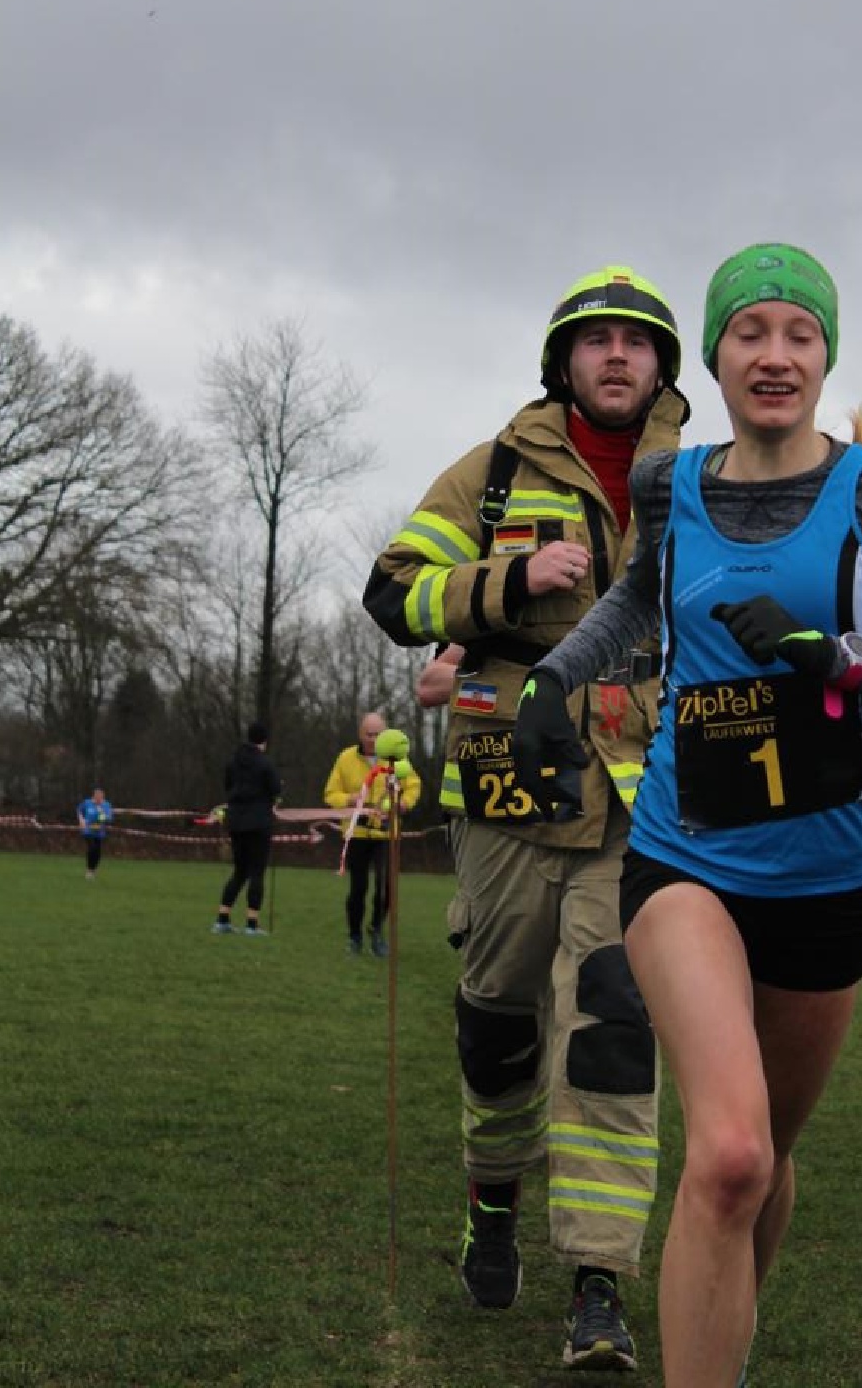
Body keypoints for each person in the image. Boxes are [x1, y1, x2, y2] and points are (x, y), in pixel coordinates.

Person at [512, 243, 862, 1388]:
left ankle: (720, 1337)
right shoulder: (670, 485)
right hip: (683, 854)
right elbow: (634, 599)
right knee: (730, 1151)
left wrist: (845, 662)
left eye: (798, 332)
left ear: (825, 349)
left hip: (825, 877)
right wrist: (556, 679)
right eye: (749, 332)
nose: (775, 354)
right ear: (715, 354)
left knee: (766, 1156)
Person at [364, 265, 690, 1372]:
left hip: (639, 806)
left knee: (611, 1023)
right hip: (506, 792)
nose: (614, 355)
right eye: (593, 340)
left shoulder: (698, 478)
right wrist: (504, 579)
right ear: (563, 362)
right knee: (498, 1022)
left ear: (659, 365)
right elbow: (392, 588)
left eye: (635, 341)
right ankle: (490, 1204)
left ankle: (597, 1285)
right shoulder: (493, 472)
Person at [323, 710, 422, 956]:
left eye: (378, 734)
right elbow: (330, 794)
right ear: (360, 733)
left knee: (386, 888)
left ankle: (376, 931)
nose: (373, 739)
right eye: (369, 734)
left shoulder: (396, 760)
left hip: (386, 835)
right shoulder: (345, 758)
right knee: (358, 889)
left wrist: (405, 803)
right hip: (356, 833)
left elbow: (413, 785)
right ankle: (354, 936)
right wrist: (350, 798)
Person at [212, 721, 281, 937]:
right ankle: (252, 923)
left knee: (240, 871)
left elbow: (228, 786)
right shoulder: (265, 764)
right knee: (257, 873)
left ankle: (222, 918)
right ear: (264, 741)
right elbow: (275, 791)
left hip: (236, 822)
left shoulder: (233, 761)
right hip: (258, 823)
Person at [77, 786, 114, 878]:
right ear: (93, 796)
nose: (98, 799)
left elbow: (108, 819)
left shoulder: (106, 805)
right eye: (96, 796)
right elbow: (79, 810)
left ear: (103, 797)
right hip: (88, 830)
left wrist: (101, 812)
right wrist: (81, 820)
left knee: (97, 852)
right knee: (91, 848)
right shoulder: (87, 803)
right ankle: (89, 870)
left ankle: (94, 869)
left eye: (100, 797)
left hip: (99, 831)